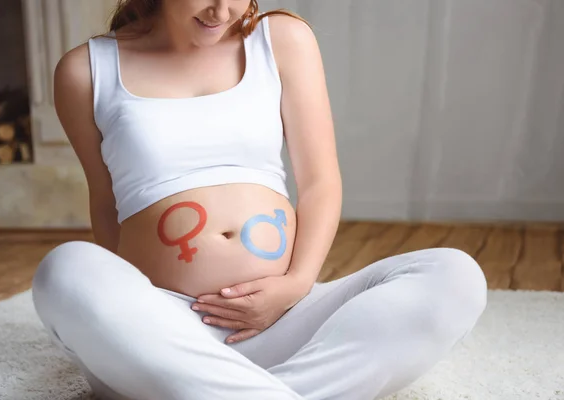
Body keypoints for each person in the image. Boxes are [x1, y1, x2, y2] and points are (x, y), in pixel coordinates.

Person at [31, 1, 488, 399]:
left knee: (455, 276)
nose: (221, 10)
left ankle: (217, 391)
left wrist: (295, 286)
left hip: (283, 322)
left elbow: (320, 183)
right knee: (65, 268)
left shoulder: (282, 40)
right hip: (164, 335)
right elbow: (106, 204)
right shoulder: (85, 71)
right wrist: (135, 317)